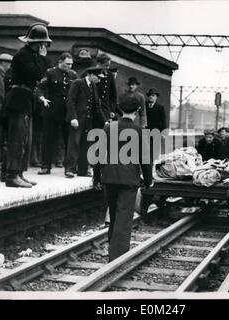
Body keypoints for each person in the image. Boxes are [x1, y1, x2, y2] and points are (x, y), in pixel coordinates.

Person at [94, 96, 153, 262]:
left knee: (113, 214)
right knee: (124, 216)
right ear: (138, 111)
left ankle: (113, 247)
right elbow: (145, 159)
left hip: (109, 178)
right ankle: (117, 256)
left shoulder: (108, 128)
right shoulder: (140, 131)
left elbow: (98, 155)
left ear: (120, 110)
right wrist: (148, 180)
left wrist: (96, 178)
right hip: (129, 180)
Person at [3, 23, 50, 188]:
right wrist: (44, 58)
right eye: (43, 43)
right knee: (17, 139)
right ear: (36, 43)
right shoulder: (23, 55)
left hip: (25, 99)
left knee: (24, 140)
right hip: (19, 99)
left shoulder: (30, 55)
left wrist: (41, 58)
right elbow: (38, 74)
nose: (44, 46)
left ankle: (19, 173)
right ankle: (11, 175)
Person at [37, 52, 78, 175]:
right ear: (60, 62)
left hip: (67, 113)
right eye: (67, 64)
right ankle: (45, 166)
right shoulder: (50, 72)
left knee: (69, 141)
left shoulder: (73, 75)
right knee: (48, 140)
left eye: (71, 64)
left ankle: (69, 168)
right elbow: (40, 87)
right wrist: (42, 98)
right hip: (52, 111)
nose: (69, 67)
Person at [64, 66, 106, 178]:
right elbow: (71, 101)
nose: (99, 80)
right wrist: (73, 117)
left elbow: (97, 107)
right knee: (74, 143)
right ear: (91, 75)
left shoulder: (93, 86)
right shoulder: (78, 83)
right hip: (77, 120)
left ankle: (82, 170)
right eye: (98, 77)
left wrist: (104, 122)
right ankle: (70, 169)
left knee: (86, 145)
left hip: (88, 120)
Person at [95, 53, 120, 122]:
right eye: (106, 65)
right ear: (99, 64)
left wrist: (112, 110)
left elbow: (113, 95)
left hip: (105, 109)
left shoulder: (109, 75)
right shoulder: (89, 73)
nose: (108, 68)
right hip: (92, 109)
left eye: (109, 65)